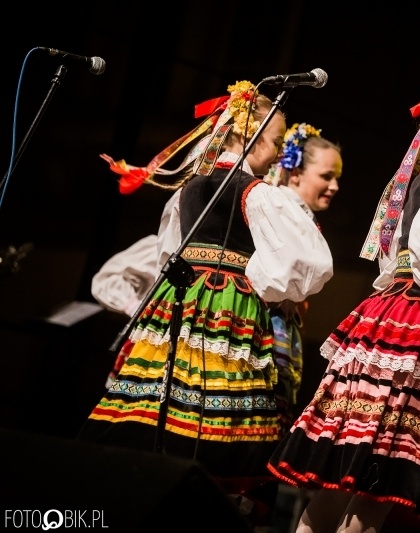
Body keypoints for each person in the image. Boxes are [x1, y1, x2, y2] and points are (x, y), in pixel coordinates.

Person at [77, 81, 336, 526]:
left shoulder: (188, 190)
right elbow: (311, 263)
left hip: (178, 302)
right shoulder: (256, 193)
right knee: (213, 417)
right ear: (249, 132)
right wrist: (262, 281)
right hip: (228, 309)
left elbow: (167, 252)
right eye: (275, 142)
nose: (277, 153)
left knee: (160, 405)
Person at [267, 64, 420, 533]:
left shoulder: (419, 179)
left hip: (387, 316)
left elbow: (396, 258)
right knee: (381, 485)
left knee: (343, 483)